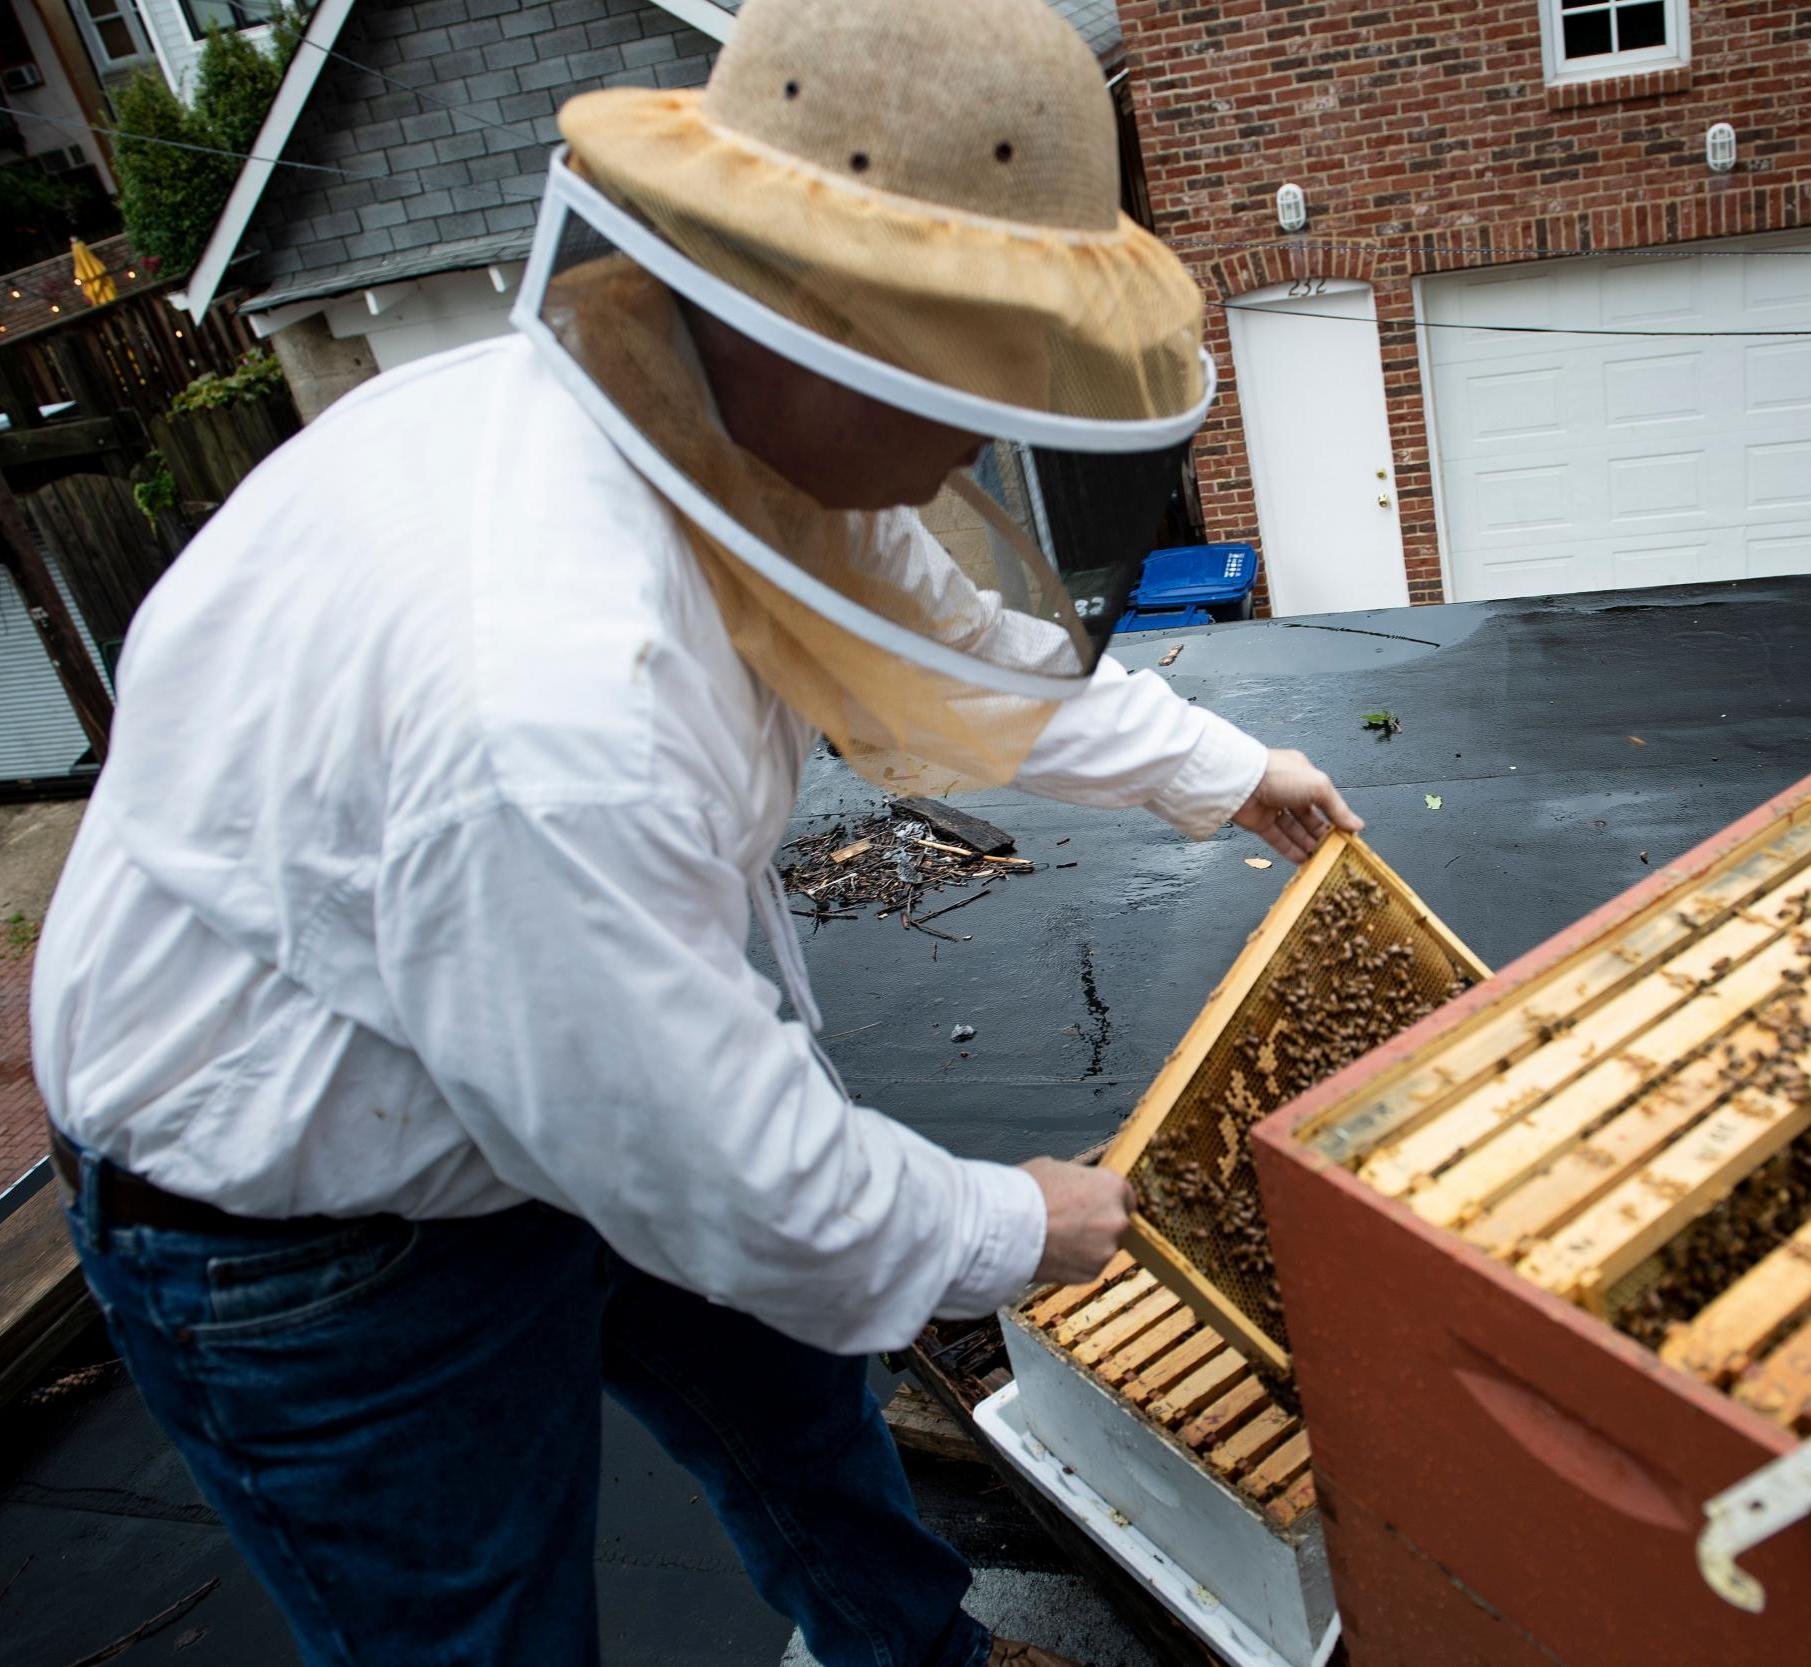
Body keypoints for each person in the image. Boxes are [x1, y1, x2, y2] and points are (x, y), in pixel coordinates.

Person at [29, 2, 1360, 1664]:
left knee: (807, 1427)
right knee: (478, 1636)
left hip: (565, 1053)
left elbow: (943, 637)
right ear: (822, 324)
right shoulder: (545, 698)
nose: (990, 420)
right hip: (314, 1222)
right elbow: (741, 1189)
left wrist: (1219, 768)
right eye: (979, 358)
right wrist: (1017, 1225)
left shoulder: (718, 429)